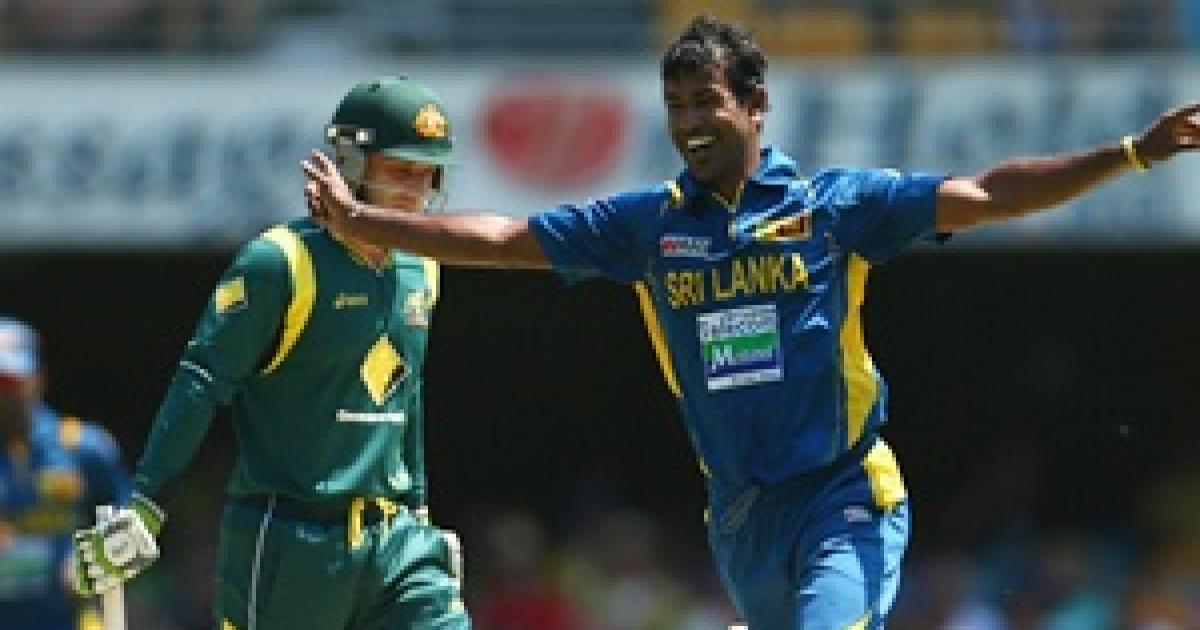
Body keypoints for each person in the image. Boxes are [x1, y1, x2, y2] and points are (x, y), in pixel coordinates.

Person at [301, 15, 1200, 629]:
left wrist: (1131, 152)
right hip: (740, 521)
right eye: (677, 107)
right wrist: (365, 222)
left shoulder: (833, 208)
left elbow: (989, 192)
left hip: (844, 496)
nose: (690, 123)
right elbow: (503, 239)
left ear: (756, 104)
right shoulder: (647, 228)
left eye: (709, 102)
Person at [70, 76, 470, 629]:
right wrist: (145, 505)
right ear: (351, 161)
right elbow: (200, 383)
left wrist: (419, 508)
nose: (417, 188)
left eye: (428, 173)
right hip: (289, 541)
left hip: (395, 542)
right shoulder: (281, 263)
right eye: (401, 169)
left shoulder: (421, 264)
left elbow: (408, 393)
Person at [0, 317, 131, 630]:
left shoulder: (83, 448)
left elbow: (132, 521)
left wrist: (89, 564)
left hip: (70, 619)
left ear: (38, 379)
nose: (5, 393)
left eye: (12, 381)